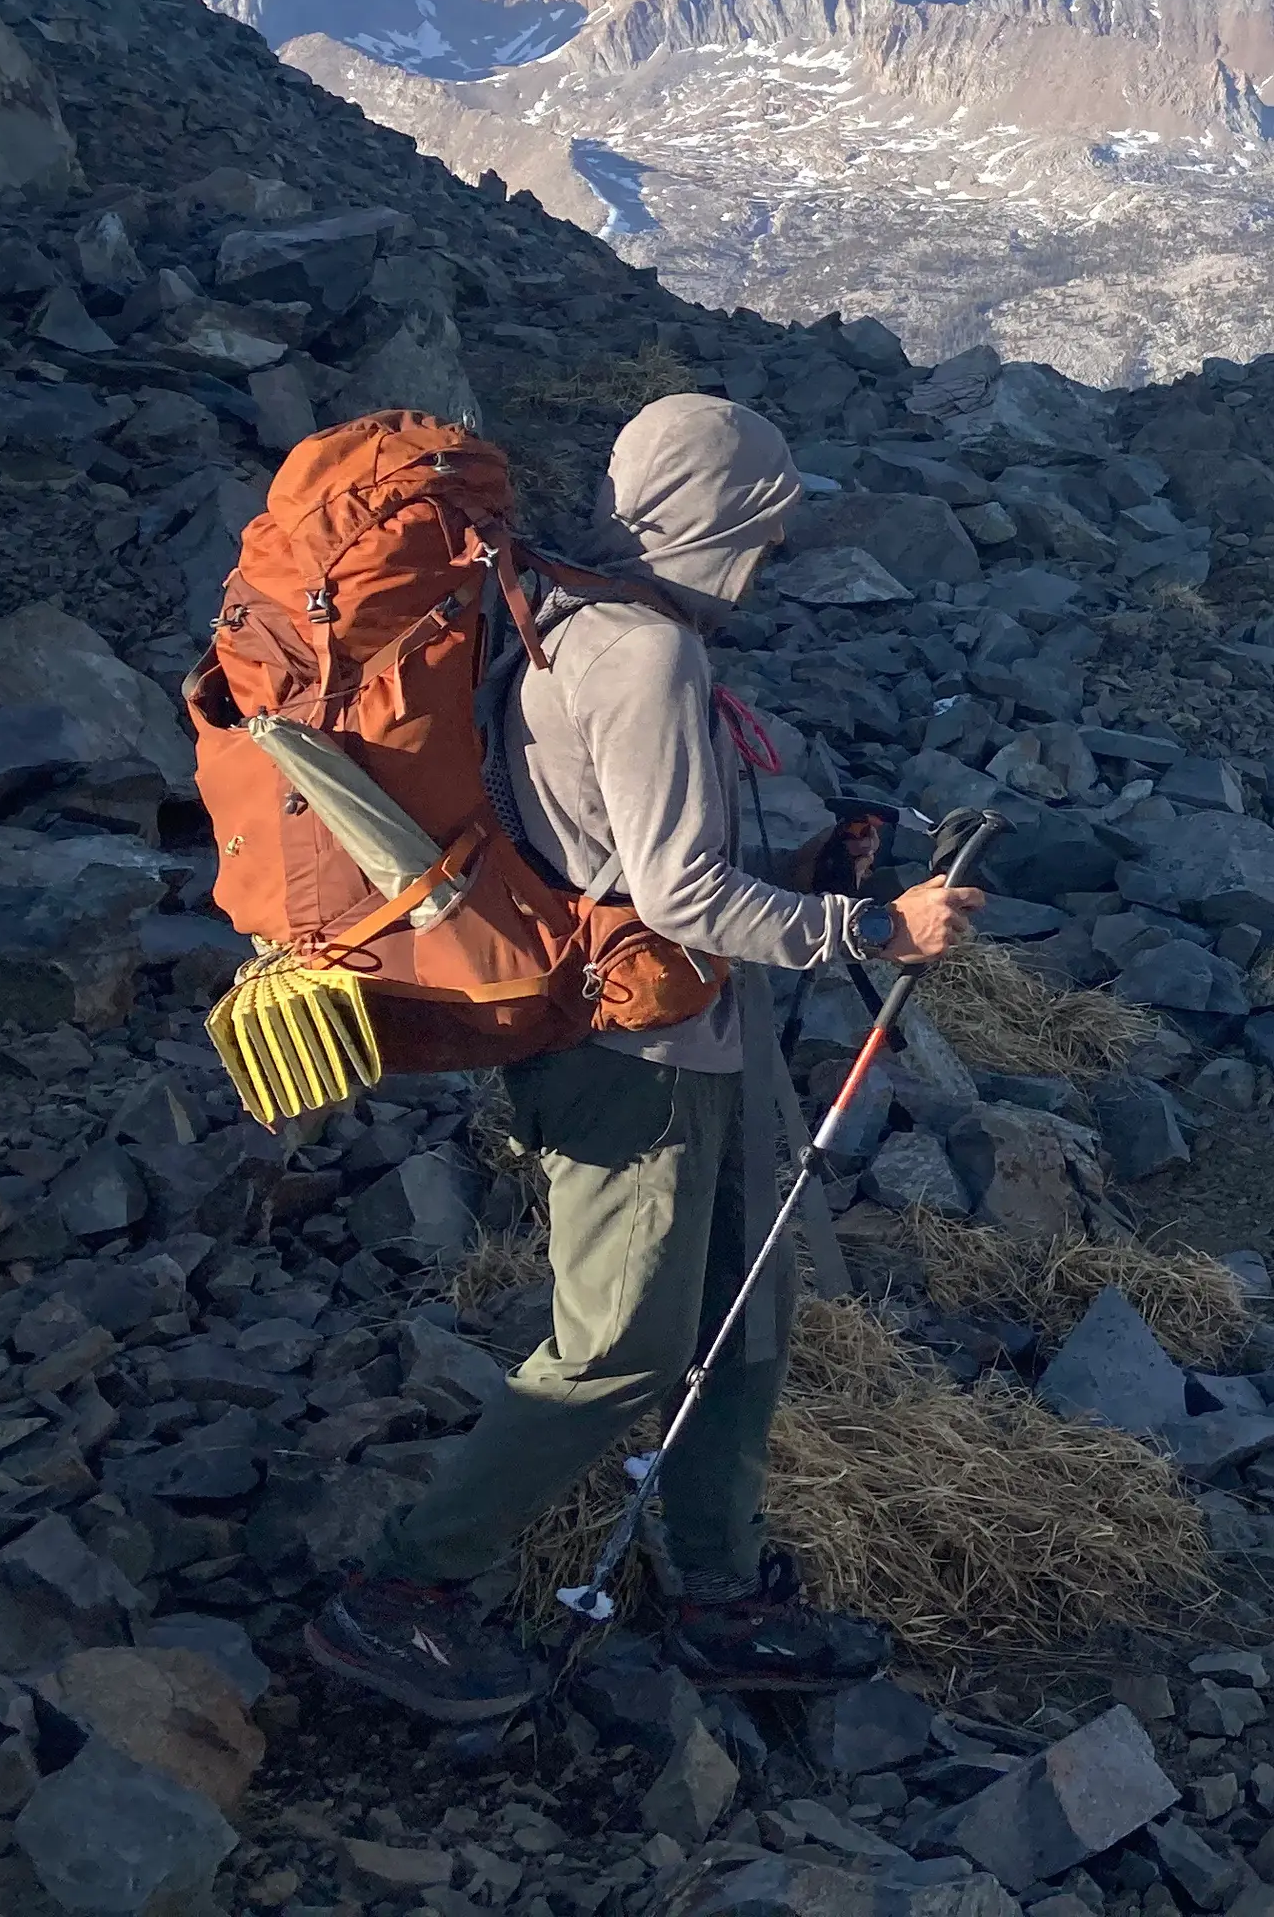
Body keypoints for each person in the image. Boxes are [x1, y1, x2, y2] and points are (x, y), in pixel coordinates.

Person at [303, 394, 988, 1721]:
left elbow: (619, 862)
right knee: (622, 1344)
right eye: (768, 534)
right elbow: (675, 896)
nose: (776, 561)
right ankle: (400, 1593)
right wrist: (871, 927)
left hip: (699, 1036)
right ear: (717, 525)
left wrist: (797, 875)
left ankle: (724, 1597)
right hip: (639, 1051)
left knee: (742, 1326)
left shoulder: (577, 625)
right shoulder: (643, 657)